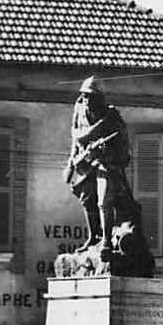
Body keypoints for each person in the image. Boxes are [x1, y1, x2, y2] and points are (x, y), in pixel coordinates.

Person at [64, 76, 132, 252]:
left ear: (100, 98)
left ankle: (106, 242)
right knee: (87, 199)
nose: (87, 100)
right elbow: (75, 138)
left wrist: (105, 151)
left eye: (91, 96)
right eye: (85, 96)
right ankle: (94, 236)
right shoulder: (79, 109)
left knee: (104, 200)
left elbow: (123, 145)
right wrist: (71, 163)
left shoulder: (111, 116)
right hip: (85, 162)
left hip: (105, 163)